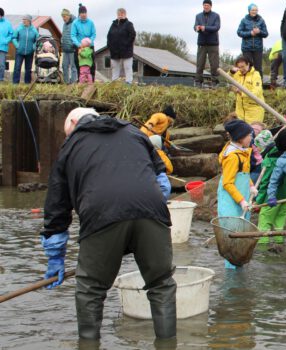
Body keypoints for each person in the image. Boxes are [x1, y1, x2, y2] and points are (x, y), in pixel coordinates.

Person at [42, 107, 174, 340]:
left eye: (67, 132)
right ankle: (167, 345)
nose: (67, 137)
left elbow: (57, 205)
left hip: (101, 214)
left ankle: (89, 344)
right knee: (161, 284)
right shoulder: (134, 133)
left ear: (74, 122)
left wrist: (55, 255)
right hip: (151, 210)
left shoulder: (71, 146)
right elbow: (162, 183)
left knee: (90, 290)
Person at [218, 119, 257, 268]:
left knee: (241, 232)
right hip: (231, 201)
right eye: (249, 135)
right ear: (241, 137)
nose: (251, 138)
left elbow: (244, 174)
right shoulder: (233, 157)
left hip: (243, 198)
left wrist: (251, 186)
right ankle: (231, 273)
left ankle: (238, 266)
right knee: (232, 234)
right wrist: (241, 200)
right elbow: (228, 183)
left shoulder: (243, 152)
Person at [254, 131, 286, 251]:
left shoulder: (269, 159)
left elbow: (266, 183)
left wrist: (258, 200)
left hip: (272, 198)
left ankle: (262, 249)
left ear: (263, 146)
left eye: (258, 146)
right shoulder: (285, 154)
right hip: (285, 196)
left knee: (264, 222)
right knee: (279, 224)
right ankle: (279, 245)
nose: (257, 149)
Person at [230, 56, 265, 124]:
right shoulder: (237, 74)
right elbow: (226, 78)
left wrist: (241, 93)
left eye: (243, 66)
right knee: (241, 133)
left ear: (248, 64)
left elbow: (256, 92)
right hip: (240, 112)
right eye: (239, 67)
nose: (241, 69)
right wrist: (231, 71)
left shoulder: (256, 75)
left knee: (253, 132)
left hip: (254, 110)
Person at [194, 0, 221, 88]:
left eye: (207, 5)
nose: (206, 6)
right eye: (204, 5)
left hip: (213, 43)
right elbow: (195, 26)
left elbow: (216, 27)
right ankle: (198, 81)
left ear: (210, 6)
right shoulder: (198, 16)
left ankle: (215, 81)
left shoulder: (216, 16)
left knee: (214, 64)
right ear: (203, 6)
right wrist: (196, 28)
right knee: (200, 63)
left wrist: (205, 28)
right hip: (201, 43)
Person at [106, 8, 136, 84]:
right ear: (117, 15)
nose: (120, 15)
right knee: (115, 68)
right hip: (114, 50)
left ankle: (128, 82)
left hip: (126, 50)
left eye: (122, 14)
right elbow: (109, 35)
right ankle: (114, 83)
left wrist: (126, 44)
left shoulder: (129, 24)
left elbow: (132, 35)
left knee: (127, 67)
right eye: (119, 14)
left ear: (125, 15)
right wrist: (109, 45)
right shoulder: (113, 24)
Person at [237, 4, 268, 76]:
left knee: (258, 68)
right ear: (249, 11)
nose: (254, 12)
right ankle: (246, 85)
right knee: (247, 67)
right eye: (252, 10)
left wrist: (259, 32)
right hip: (246, 48)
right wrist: (250, 33)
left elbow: (266, 34)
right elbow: (239, 32)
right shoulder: (244, 20)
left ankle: (259, 85)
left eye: (256, 10)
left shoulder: (261, 20)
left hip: (258, 48)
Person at [71, 4, 96, 81]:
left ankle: (92, 81)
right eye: (82, 13)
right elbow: (73, 35)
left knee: (91, 64)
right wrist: (79, 45)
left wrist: (89, 42)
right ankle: (80, 81)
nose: (84, 14)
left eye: (85, 13)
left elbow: (93, 34)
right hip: (79, 47)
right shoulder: (75, 23)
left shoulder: (91, 22)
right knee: (78, 64)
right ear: (79, 14)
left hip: (89, 46)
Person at [11, 15, 37, 84]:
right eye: (23, 19)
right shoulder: (19, 28)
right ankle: (15, 83)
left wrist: (33, 47)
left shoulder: (34, 30)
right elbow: (14, 38)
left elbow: (37, 40)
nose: (23, 21)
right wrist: (17, 45)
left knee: (28, 69)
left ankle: (27, 83)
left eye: (25, 19)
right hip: (19, 51)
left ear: (29, 21)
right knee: (17, 68)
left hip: (30, 52)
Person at [60, 9, 77, 84]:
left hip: (72, 49)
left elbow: (77, 34)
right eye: (62, 17)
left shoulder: (75, 23)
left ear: (68, 16)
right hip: (65, 49)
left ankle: (73, 83)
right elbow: (63, 35)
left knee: (73, 67)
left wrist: (75, 43)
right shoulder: (64, 24)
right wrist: (62, 42)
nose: (63, 18)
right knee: (64, 66)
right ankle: (66, 82)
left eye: (64, 16)